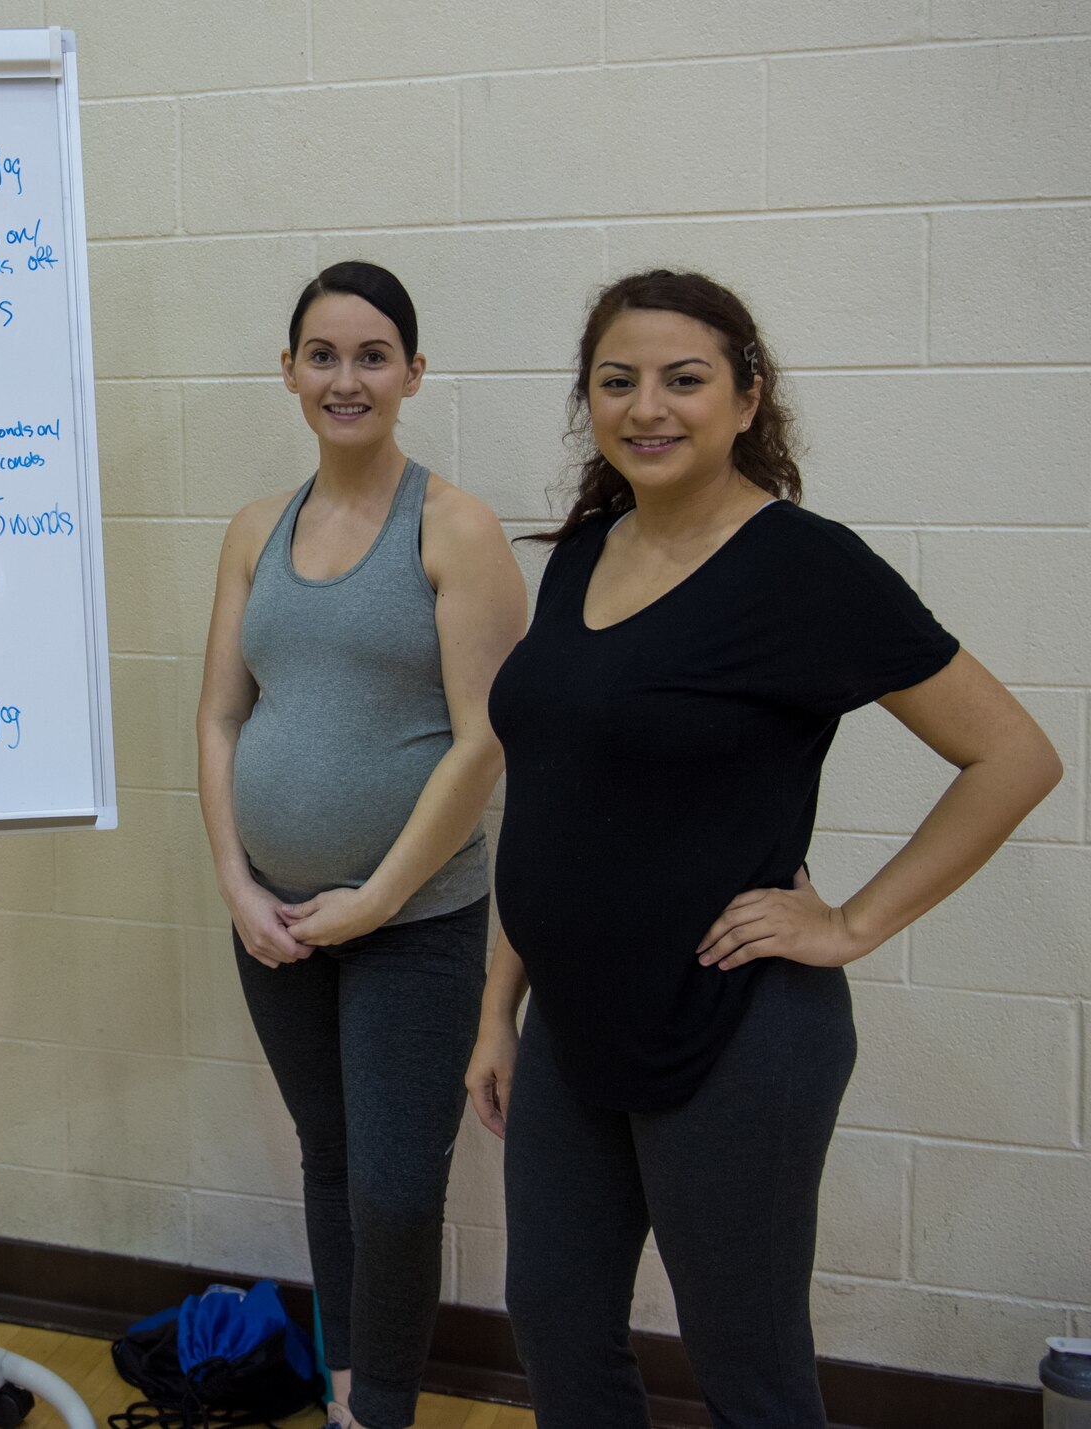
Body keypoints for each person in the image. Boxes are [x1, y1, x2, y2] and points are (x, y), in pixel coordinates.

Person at [467, 269, 1062, 1428]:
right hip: (568, 1024)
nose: (648, 406)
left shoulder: (804, 567)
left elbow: (1012, 758)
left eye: (683, 379)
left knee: (744, 1367)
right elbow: (549, 798)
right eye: (616, 380)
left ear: (746, 398)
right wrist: (499, 1006)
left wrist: (848, 923)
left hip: (735, 1031)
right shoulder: (583, 551)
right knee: (551, 1322)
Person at [196, 262, 527, 1429]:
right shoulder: (252, 531)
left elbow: (485, 741)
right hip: (275, 922)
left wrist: (379, 897)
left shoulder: (456, 528)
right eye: (322, 356)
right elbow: (221, 714)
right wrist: (237, 883)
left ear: (413, 374)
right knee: (330, 1163)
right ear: (287, 372)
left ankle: (377, 1406)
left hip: (414, 924)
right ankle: (343, 1387)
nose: (346, 378)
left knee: (393, 1189)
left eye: (371, 355)